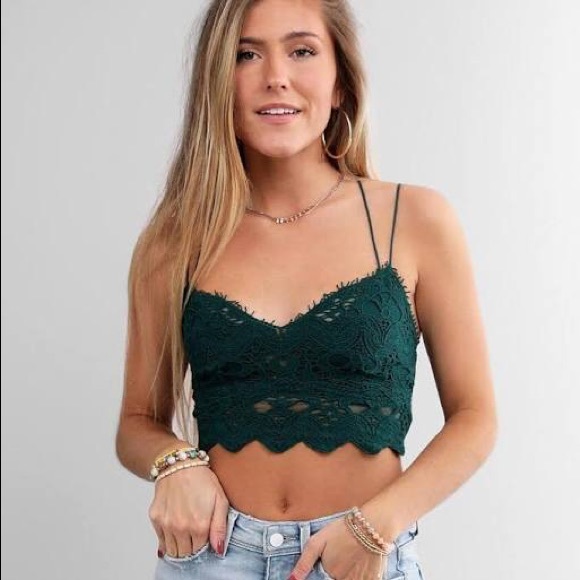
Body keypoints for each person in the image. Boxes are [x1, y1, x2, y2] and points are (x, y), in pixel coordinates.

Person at [115, 1, 498, 579]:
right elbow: (137, 421)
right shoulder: (176, 242)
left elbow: (475, 417)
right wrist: (175, 463)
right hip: (216, 559)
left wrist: (376, 527)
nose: (276, 76)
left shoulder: (413, 220)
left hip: (357, 556)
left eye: (301, 51)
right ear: (217, 81)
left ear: (341, 83)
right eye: (246, 54)